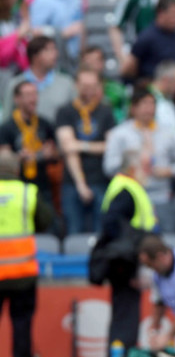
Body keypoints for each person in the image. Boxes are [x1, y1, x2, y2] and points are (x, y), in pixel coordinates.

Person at [91, 149, 158, 357]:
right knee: (125, 312)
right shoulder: (126, 190)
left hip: (128, 260)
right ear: (132, 168)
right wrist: (130, 253)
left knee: (126, 311)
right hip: (125, 262)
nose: (149, 171)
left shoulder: (125, 187)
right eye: (145, 166)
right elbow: (112, 224)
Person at [0, 150, 52, 357]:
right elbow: (46, 220)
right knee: (21, 322)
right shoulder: (27, 192)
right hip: (22, 272)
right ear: (17, 170)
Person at [103, 89, 175, 233]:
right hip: (132, 197)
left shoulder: (169, 133)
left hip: (162, 196)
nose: (149, 109)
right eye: (143, 104)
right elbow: (109, 167)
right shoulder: (119, 134)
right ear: (133, 108)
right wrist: (131, 166)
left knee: (170, 236)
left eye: (152, 104)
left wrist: (169, 171)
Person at [55, 67, 115, 234]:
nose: (89, 89)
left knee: (101, 231)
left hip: (101, 179)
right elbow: (68, 149)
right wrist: (81, 184)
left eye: (93, 85)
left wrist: (81, 145)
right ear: (76, 85)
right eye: (85, 84)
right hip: (72, 182)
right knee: (74, 231)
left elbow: (111, 146)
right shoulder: (65, 111)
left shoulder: (106, 111)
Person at [0, 81, 58, 204]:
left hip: (42, 185)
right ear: (17, 99)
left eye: (35, 94)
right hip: (17, 186)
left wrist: (51, 154)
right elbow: (4, 160)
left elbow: (57, 153)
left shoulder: (45, 124)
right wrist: (20, 157)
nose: (33, 99)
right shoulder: (7, 127)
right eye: (28, 95)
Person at [3, 36, 76, 124]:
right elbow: (6, 118)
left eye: (55, 50)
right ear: (35, 56)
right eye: (49, 50)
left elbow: (75, 114)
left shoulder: (66, 83)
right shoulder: (15, 83)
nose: (56, 54)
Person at [28, 0, 84, 68]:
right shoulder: (43, 0)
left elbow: (81, 27)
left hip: (75, 58)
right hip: (54, 61)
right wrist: (62, 33)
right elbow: (34, 32)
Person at [80, 46, 129, 123]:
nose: (92, 65)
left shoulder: (117, 89)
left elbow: (125, 114)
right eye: (89, 61)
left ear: (103, 62)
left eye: (96, 60)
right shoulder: (74, 88)